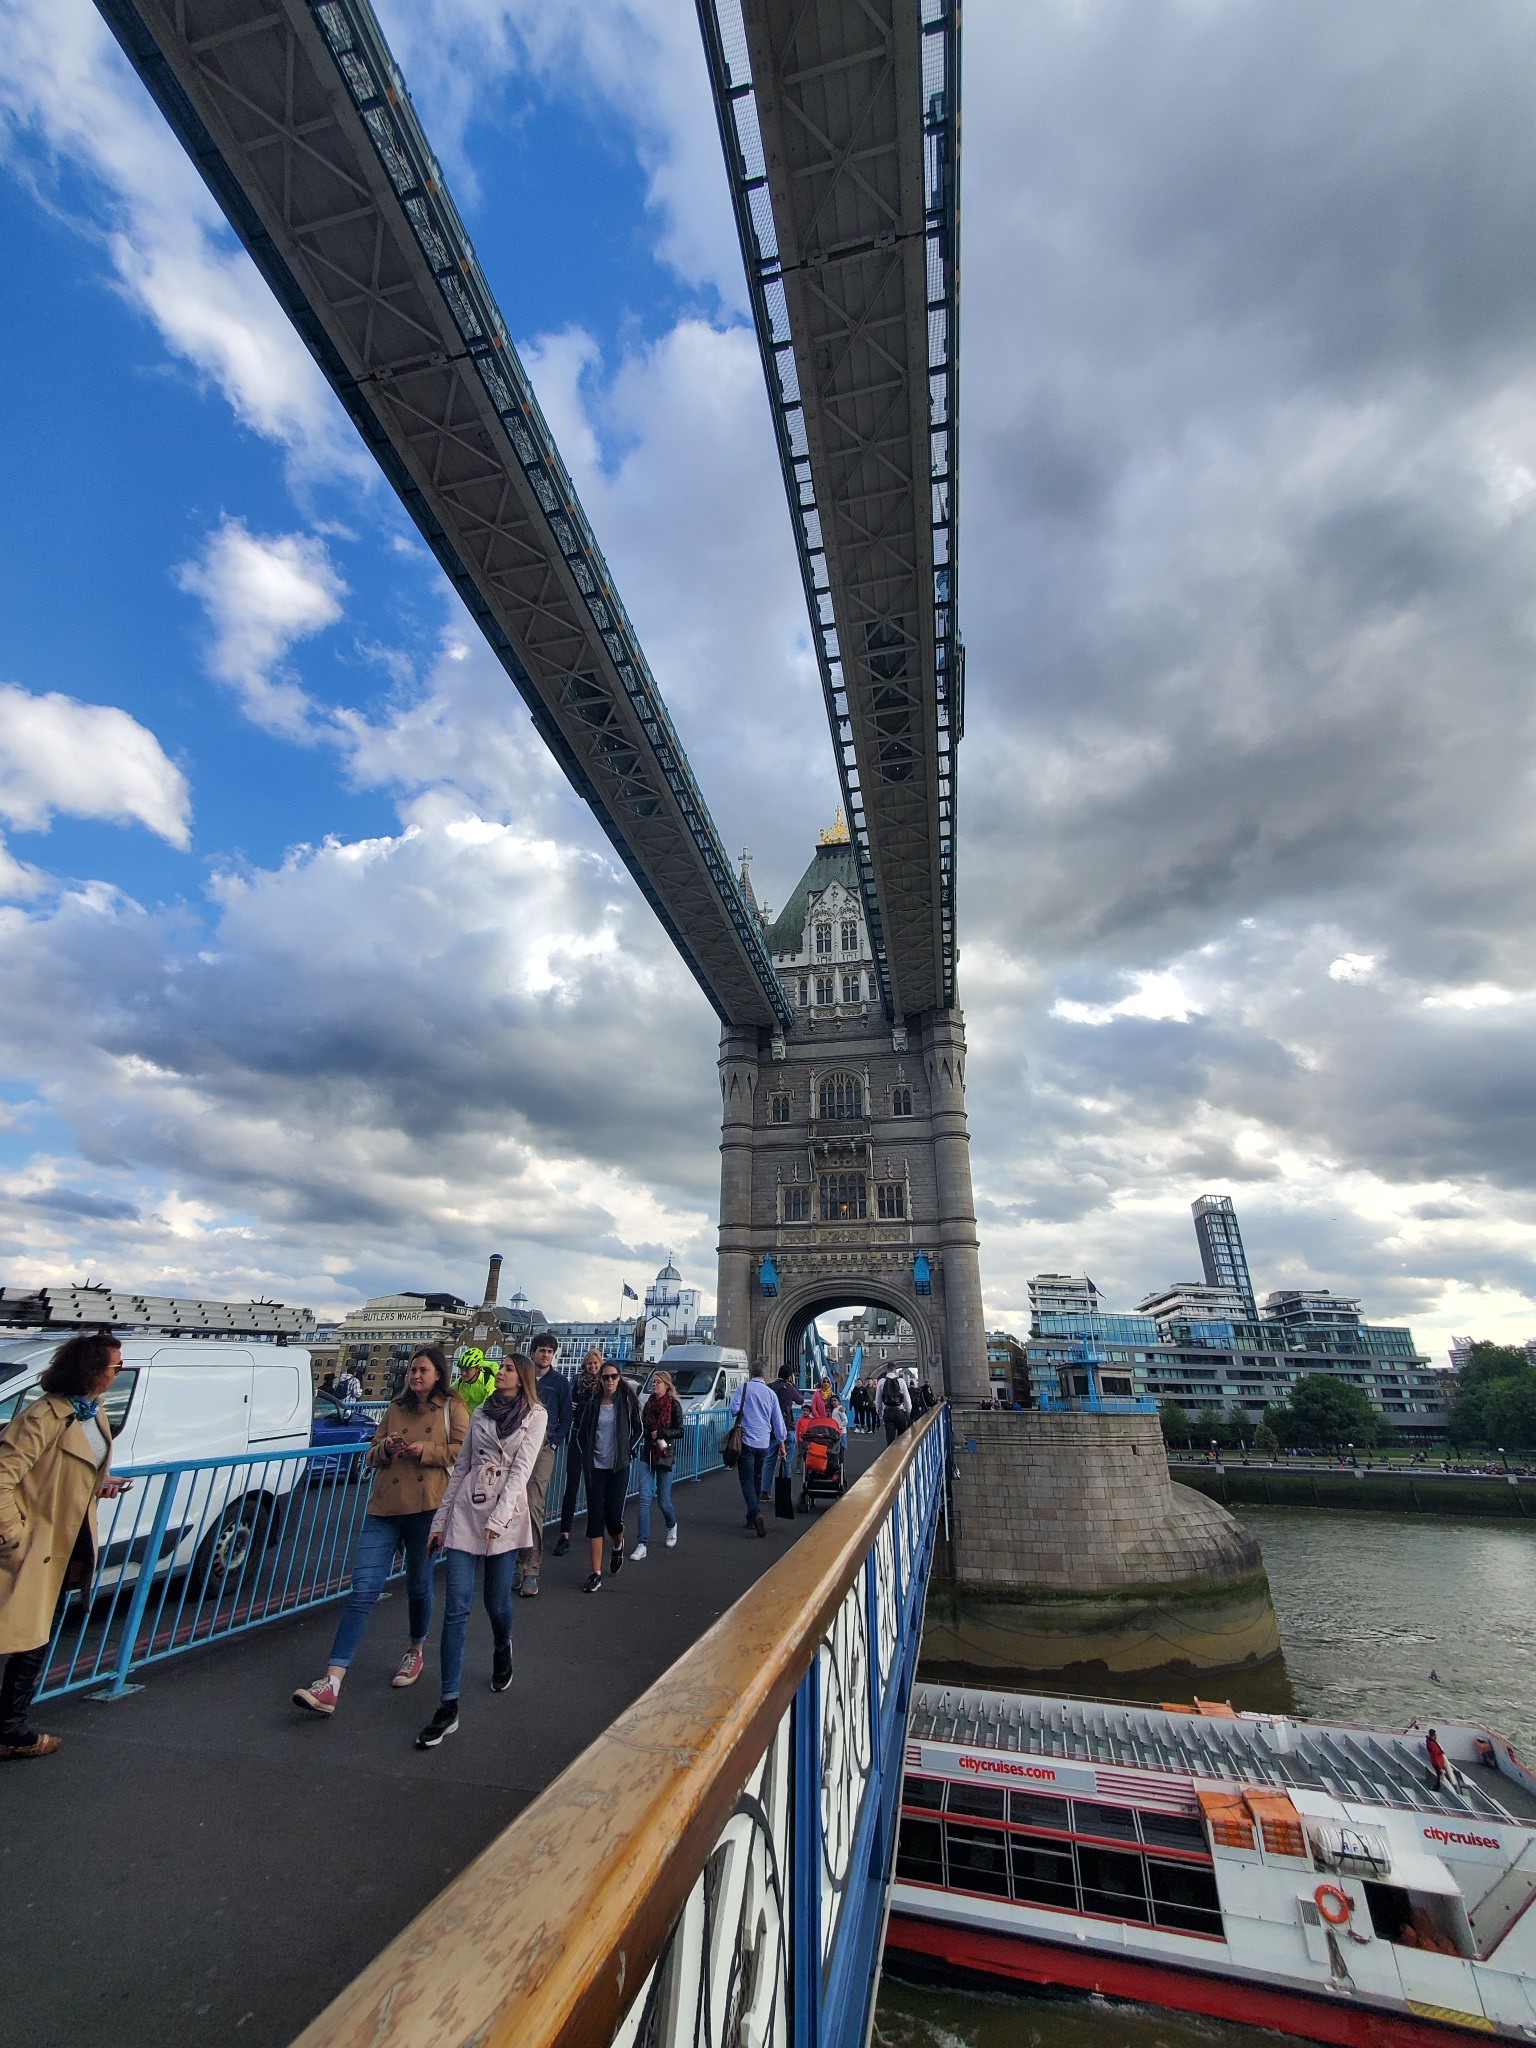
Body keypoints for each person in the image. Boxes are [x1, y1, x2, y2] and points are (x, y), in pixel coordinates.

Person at [293, 1347, 468, 1716]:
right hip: (384, 1508)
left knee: (419, 1586)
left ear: (438, 1374)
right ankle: (332, 1679)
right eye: (412, 1370)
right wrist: (386, 1447)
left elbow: (461, 1450)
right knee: (363, 1590)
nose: (415, 1376)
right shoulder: (394, 1408)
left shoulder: (453, 1408)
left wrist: (425, 1450)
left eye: (422, 1370)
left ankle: (415, 1650)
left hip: (426, 1508)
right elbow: (370, 1454)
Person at [0, 1330, 134, 1760]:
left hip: (64, 1543)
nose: (119, 1372)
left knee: (37, 1635)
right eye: (116, 1365)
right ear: (93, 1370)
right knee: (27, 1637)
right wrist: (12, 1536)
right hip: (31, 1546)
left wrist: (99, 1485)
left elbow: (66, 1473)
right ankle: (11, 1731)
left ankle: (11, 1727)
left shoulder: (91, 1414)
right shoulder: (43, 1417)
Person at [415, 1353, 547, 1750]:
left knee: (496, 1602)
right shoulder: (482, 1413)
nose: (500, 1373)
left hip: (503, 1516)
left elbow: (522, 1471)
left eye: (507, 1368)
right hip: (467, 1511)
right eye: (500, 1368)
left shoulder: (534, 1415)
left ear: (520, 1377)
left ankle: (502, 1645)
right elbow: (462, 1467)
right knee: (456, 1607)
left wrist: (500, 1518)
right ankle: (448, 1703)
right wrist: (439, 1522)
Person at [573, 1358, 642, 1592]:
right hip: (596, 1468)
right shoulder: (593, 1403)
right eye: (605, 1377)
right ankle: (595, 1573)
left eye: (613, 1376)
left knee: (613, 1518)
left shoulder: (626, 1401)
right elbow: (581, 1434)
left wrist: (630, 1449)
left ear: (619, 1378)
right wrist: (586, 1458)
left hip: (618, 1467)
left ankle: (618, 1543)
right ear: (600, 1380)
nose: (610, 1380)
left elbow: (638, 1429)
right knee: (595, 1519)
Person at [517, 1333, 571, 1598]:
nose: (545, 1355)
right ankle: (514, 1563)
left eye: (550, 1351)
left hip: (543, 1449)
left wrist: (554, 1442)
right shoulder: (522, 1378)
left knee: (534, 1503)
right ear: (533, 1352)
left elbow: (567, 1417)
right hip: (516, 1446)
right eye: (541, 1350)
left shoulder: (559, 1383)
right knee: (513, 1502)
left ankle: (531, 1569)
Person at [553, 1348, 605, 1557]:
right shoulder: (576, 1381)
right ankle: (564, 1534)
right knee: (571, 1486)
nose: (592, 1367)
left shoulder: (605, 1383)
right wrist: (571, 1407)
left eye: (595, 1363)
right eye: (589, 1363)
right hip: (577, 1437)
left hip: (596, 1440)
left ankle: (595, 1532)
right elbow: (566, 1406)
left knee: (594, 1488)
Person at [731, 1361, 787, 1537]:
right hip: (764, 1442)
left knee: (746, 1480)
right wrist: (782, 1443)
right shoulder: (771, 1394)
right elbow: (778, 1421)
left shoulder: (744, 1388)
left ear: (750, 1373)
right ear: (764, 1374)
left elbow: (733, 1410)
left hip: (746, 1441)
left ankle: (756, 1514)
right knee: (757, 1478)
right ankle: (750, 1519)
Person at [634, 1368, 683, 1560]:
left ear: (666, 1385)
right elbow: (643, 1428)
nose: (654, 1384)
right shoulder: (648, 1405)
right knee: (644, 1498)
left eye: (658, 1382)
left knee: (663, 1501)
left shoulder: (674, 1405)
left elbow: (680, 1430)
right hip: (648, 1454)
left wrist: (662, 1433)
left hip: (665, 1455)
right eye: (653, 1382)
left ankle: (672, 1525)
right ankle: (642, 1543)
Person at [773, 1366, 802, 1473]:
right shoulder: (790, 1388)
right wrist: (793, 1384)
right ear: (790, 1377)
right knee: (787, 1463)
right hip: (787, 1426)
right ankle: (785, 1487)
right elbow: (800, 1400)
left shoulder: (770, 1387)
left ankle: (765, 1488)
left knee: (769, 1463)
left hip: (772, 1428)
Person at [454, 1347, 497, 1414]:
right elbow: (446, 1393)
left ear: (477, 1368)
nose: (463, 1373)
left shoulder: (488, 1381)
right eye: (461, 1369)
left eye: (467, 1369)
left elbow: (489, 1405)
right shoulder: (459, 1382)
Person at [876, 1366, 912, 1444]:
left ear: (887, 1370)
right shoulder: (901, 1381)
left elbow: (878, 1400)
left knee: (890, 1439)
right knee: (902, 1439)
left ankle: (891, 1454)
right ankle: (902, 1455)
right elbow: (907, 1400)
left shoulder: (881, 1381)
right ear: (895, 1370)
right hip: (899, 1411)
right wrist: (908, 1413)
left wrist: (880, 1415)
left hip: (887, 1411)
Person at [1426, 1727, 1450, 1791]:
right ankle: (1437, 1787)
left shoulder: (1430, 1742)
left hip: (1437, 1762)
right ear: (1433, 1735)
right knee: (1439, 1776)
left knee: (1439, 1776)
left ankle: (1437, 1786)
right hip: (1437, 1763)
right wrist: (1439, 1767)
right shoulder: (1432, 1744)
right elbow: (1435, 1756)